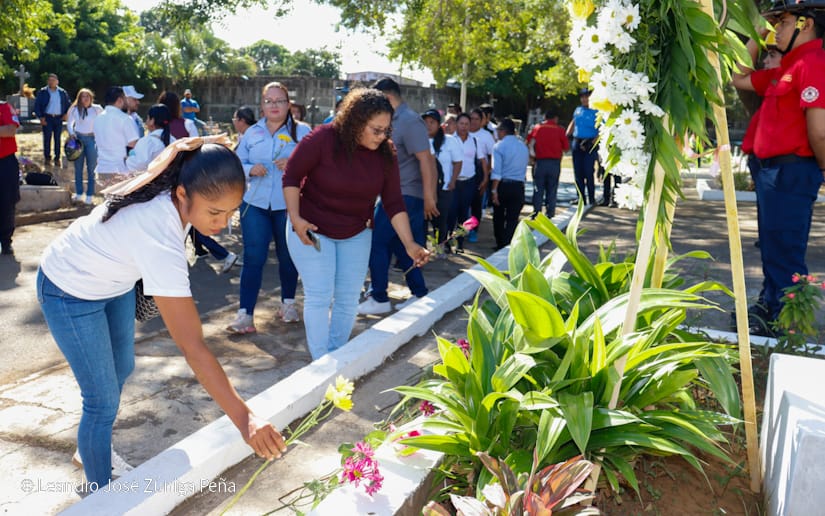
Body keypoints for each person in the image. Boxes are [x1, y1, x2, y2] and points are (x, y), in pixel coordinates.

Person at [37, 137, 287, 490]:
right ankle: (102, 495)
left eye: (231, 212)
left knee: (122, 368)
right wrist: (245, 419)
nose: (222, 223)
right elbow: (192, 346)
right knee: (101, 400)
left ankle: (90, 446)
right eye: (214, 213)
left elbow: (176, 153)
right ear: (183, 195)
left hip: (113, 284)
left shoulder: (177, 182)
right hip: (68, 288)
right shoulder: (158, 231)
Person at [284, 88, 430, 359]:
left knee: (348, 298)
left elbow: (393, 202)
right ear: (356, 121)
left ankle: (335, 356)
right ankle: (321, 364)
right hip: (311, 228)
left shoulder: (386, 153)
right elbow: (291, 177)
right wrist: (296, 218)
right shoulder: (323, 139)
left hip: (355, 231)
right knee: (320, 293)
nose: (382, 136)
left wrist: (409, 244)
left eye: (386, 130)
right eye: (376, 129)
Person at [730, 0, 825, 334]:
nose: (776, 31)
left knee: (785, 251)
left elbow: (820, 130)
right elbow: (737, 76)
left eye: (782, 23)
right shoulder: (788, 66)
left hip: (791, 171)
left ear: (807, 24)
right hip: (772, 173)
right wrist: (758, 29)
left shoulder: (814, 61)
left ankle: (789, 328)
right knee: (772, 247)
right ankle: (770, 308)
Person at [227, 82, 310, 333]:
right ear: (262, 106)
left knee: (288, 256)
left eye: (280, 101)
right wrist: (249, 169)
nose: (274, 105)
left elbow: (317, 165)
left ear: (289, 104)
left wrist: (296, 164)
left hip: (289, 204)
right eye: (269, 101)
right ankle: (245, 314)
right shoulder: (251, 133)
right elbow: (234, 164)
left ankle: (288, 304)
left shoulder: (303, 132)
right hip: (255, 203)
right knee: (254, 257)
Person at [357, 77, 438, 315]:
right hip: (394, 194)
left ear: (388, 98)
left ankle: (379, 296)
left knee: (376, 243)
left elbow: (426, 160)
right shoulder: (394, 121)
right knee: (401, 245)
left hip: (405, 194)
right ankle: (419, 292)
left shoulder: (410, 122)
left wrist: (429, 196)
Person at [447, 113, 488, 252]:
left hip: (469, 181)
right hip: (453, 181)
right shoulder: (449, 140)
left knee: (464, 214)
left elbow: (483, 161)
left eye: (466, 124)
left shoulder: (475, 141)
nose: (464, 127)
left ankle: (460, 243)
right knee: (450, 213)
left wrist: (485, 178)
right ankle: (447, 243)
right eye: (461, 123)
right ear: (456, 124)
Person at [422, 109, 462, 252]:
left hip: (443, 188)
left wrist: (452, 180)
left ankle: (441, 247)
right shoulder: (419, 141)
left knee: (442, 220)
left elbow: (458, 162)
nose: (428, 125)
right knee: (422, 221)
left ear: (439, 124)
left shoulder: (449, 141)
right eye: (425, 122)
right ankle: (421, 248)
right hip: (423, 189)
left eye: (432, 122)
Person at [490, 118, 529, 250]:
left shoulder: (499, 146)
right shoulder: (523, 146)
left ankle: (500, 243)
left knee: (499, 217)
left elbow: (497, 171)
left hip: (503, 185)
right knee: (513, 218)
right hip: (518, 186)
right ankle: (509, 244)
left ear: (503, 131)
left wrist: (494, 191)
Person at [526, 110, 569, 217]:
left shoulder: (537, 128)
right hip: (554, 163)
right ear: (556, 118)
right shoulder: (560, 130)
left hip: (540, 162)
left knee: (538, 189)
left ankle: (536, 213)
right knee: (552, 189)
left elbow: (528, 142)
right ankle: (550, 213)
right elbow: (566, 148)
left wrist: (532, 156)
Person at [93, 86, 140, 184]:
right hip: (119, 169)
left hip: (102, 168)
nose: (126, 102)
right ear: (119, 100)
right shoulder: (125, 119)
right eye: (125, 99)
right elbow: (134, 144)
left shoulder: (98, 118)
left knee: (108, 197)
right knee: (119, 198)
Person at [66, 88, 103, 204]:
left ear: (91, 98)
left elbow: (103, 122)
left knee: (91, 168)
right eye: (83, 96)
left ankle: (90, 194)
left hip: (92, 139)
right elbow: (69, 123)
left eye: (88, 96)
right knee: (78, 168)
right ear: (79, 98)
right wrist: (72, 134)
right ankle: (79, 193)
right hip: (78, 139)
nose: (85, 99)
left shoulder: (97, 109)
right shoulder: (75, 109)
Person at [567, 88, 599, 205]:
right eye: (582, 97)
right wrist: (568, 133)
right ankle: (580, 198)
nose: (584, 99)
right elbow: (574, 121)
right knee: (578, 172)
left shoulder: (596, 111)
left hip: (590, 142)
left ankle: (591, 197)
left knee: (588, 171)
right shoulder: (578, 110)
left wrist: (592, 142)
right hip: (577, 141)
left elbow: (601, 129)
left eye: (587, 96)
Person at [467, 108, 494, 243]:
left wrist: (486, 176)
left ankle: (472, 230)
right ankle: (461, 231)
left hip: (479, 173)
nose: (473, 122)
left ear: (482, 121)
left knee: (475, 205)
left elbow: (491, 157)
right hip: (463, 173)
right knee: (461, 205)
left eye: (477, 119)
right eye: (471, 118)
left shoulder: (486, 136)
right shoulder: (461, 133)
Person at [33, 73, 70, 166]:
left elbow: (68, 104)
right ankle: (47, 158)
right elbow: (37, 106)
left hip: (58, 118)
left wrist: (66, 114)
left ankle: (57, 158)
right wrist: (41, 117)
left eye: (53, 80)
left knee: (58, 139)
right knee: (47, 139)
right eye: (49, 80)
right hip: (47, 117)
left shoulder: (62, 92)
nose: (51, 82)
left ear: (57, 82)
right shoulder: (43, 92)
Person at [126, 104, 173, 172]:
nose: (146, 121)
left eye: (148, 118)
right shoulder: (174, 140)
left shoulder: (147, 142)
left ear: (152, 121)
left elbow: (137, 165)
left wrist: (127, 160)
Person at [0, 98, 20, 256]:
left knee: (7, 202)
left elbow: (10, 130)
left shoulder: (4, 107)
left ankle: (6, 241)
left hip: (5, 161)